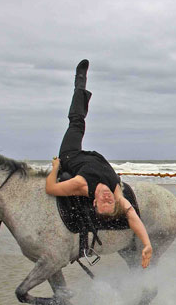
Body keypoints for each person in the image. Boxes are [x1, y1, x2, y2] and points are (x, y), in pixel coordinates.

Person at [45, 59, 153, 268]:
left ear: (94, 203)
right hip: (95, 157)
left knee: (77, 121)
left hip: (71, 156)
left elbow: (51, 188)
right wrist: (147, 243)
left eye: (103, 203)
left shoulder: (81, 186)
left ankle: (80, 81)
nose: (107, 198)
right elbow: (132, 217)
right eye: (110, 202)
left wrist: (55, 168)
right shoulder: (116, 193)